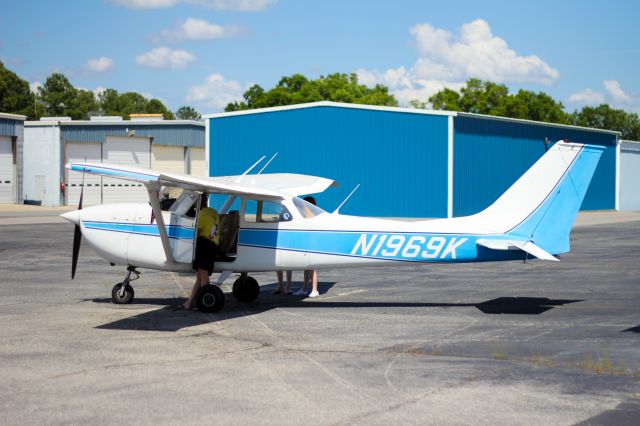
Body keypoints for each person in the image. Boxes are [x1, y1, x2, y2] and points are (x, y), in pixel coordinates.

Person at [183, 194, 220, 310]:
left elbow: (195, 232)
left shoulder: (202, 214)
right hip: (213, 246)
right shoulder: (214, 212)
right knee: (199, 277)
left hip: (204, 246)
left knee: (203, 277)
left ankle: (206, 301)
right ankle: (189, 302)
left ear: (197, 203)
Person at [294, 196, 320, 298]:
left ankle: (315, 289)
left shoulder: (312, 215)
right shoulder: (307, 214)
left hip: (311, 243)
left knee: (312, 267)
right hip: (306, 242)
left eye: (305, 203)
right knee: (306, 267)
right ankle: (304, 288)